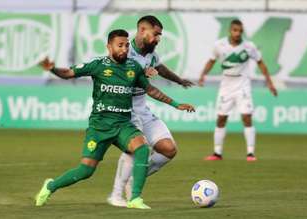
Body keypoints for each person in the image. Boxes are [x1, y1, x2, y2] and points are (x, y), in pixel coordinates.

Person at [35, 29, 195, 209]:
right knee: (86, 171)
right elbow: (68, 73)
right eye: (120, 45)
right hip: (100, 126)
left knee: (142, 148)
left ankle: (135, 198)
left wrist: (176, 104)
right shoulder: (98, 65)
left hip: (122, 124)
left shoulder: (133, 67)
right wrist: (52, 69)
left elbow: (150, 90)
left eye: (126, 45)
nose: (124, 49)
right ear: (109, 46)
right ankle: (50, 186)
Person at [107, 15, 194, 207]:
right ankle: (116, 195)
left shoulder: (151, 54)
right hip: (122, 110)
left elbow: (160, 67)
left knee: (169, 149)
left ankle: (134, 179)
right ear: (141, 30)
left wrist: (179, 80)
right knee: (135, 149)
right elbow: (111, 73)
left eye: (160, 35)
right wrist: (139, 74)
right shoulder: (123, 50)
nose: (158, 39)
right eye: (155, 34)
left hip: (142, 110)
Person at [198, 19, 277, 162]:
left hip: (242, 85)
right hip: (226, 86)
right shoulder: (219, 45)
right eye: (235, 30)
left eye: (240, 31)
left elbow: (261, 63)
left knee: (247, 117)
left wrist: (270, 83)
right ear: (230, 30)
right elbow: (211, 60)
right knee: (221, 118)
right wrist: (203, 75)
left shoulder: (249, 46)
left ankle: (251, 153)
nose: (237, 33)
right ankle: (217, 153)